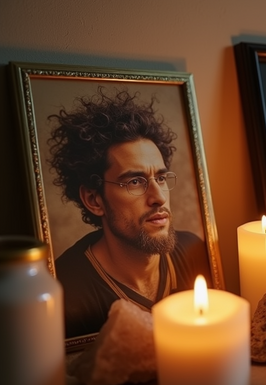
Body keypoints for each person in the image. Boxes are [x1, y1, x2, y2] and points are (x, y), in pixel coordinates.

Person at [47, 87, 211, 339]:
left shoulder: (195, 252)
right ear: (94, 199)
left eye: (160, 177)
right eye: (135, 182)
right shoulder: (65, 292)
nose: (158, 197)